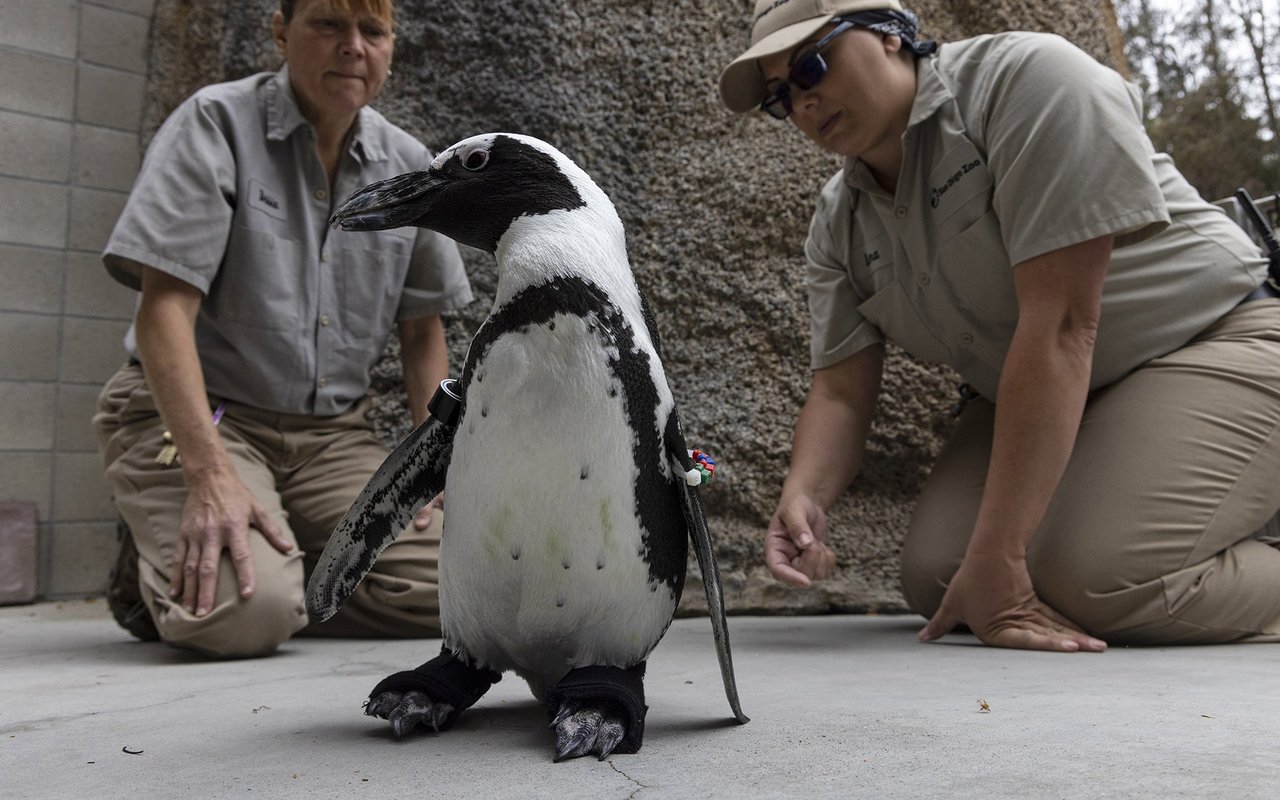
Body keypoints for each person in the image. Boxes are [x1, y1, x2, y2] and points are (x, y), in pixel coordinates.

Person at [719, 0, 1280, 651]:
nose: (803, 105)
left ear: (888, 35)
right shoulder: (838, 223)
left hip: (1211, 339)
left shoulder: (1029, 82)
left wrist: (1004, 557)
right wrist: (803, 497)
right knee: (940, 577)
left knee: (1097, 578)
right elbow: (841, 390)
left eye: (811, 66)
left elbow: (1065, 324)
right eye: (780, 98)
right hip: (1069, 390)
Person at [93, 0, 473, 658]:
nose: (352, 46)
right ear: (280, 31)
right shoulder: (215, 123)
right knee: (244, 618)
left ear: (390, 47)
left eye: (372, 31)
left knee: (463, 586)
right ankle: (163, 571)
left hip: (329, 440)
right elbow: (163, 312)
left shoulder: (409, 164)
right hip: (208, 419)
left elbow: (422, 332)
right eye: (328, 24)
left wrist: (429, 458)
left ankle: (281, 559)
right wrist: (208, 474)